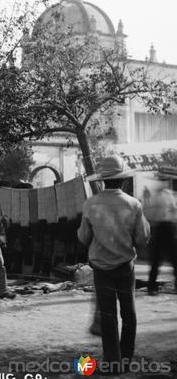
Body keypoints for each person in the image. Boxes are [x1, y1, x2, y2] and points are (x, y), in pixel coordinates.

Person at [78, 155, 150, 372]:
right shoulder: (133, 204)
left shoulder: (91, 204)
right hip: (125, 266)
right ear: (122, 180)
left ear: (102, 180)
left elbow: (83, 237)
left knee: (108, 316)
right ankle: (126, 359)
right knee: (129, 314)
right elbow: (142, 239)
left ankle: (112, 362)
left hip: (101, 269)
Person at [143, 172, 177, 295]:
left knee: (170, 259)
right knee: (157, 260)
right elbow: (148, 213)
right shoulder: (157, 195)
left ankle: (152, 287)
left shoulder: (169, 195)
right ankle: (152, 287)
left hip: (167, 228)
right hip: (161, 228)